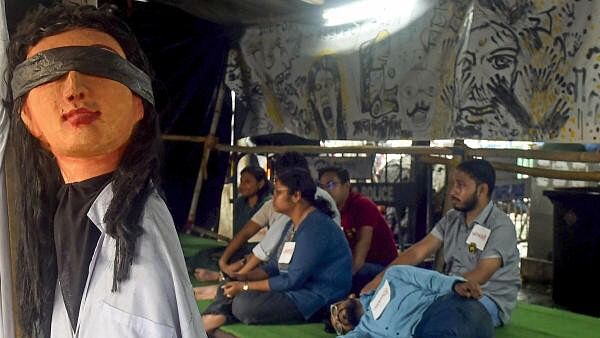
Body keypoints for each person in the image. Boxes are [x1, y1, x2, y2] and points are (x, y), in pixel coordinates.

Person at [6, 4, 205, 337]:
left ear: (137, 103)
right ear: (28, 118)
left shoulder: (142, 234)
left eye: (99, 65)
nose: (74, 88)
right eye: (51, 73)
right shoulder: (57, 213)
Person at [362, 159, 520, 327]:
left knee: (432, 315)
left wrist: (439, 286)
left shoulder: (500, 226)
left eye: (461, 185)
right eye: (453, 184)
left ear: (482, 190)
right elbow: (418, 252)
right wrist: (382, 278)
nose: (452, 191)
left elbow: (482, 274)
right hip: (452, 290)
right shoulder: (452, 218)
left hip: (486, 298)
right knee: (401, 302)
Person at [201, 168, 352, 333]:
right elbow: (275, 265)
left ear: (296, 196)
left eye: (278, 192)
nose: (273, 198)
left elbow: (292, 280)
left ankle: (216, 316)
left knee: (243, 304)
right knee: (229, 286)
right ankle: (217, 315)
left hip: (316, 297)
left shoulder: (315, 228)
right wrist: (243, 276)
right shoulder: (292, 224)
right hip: (295, 289)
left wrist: (245, 286)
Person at [217, 152, 340, 278]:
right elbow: (247, 233)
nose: (274, 192)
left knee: (243, 294)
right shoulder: (278, 204)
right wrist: (224, 263)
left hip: (316, 276)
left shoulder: (299, 205)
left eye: (278, 190)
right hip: (290, 269)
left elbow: (265, 252)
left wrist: (238, 281)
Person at [330, 265, 494, 338]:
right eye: (338, 327)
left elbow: (430, 279)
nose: (338, 319)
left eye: (335, 310)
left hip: (446, 309)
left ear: (350, 297)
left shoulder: (393, 275)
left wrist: (456, 284)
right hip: (425, 332)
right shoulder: (366, 330)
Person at [318, 166, 397, 295]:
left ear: (346, 186)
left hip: (382, 268)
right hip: (355, 264)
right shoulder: (329, 211)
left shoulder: (362, 205)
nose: (326, 191)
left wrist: (338, 277)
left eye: (331, 185)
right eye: (322, 187)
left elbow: (362, 248)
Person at [193, 165, 271, 283]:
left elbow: (264, 245)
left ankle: (220, 275)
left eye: (247, 182)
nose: (242, 186)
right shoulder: (239, 203)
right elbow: (240, 235)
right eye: (241, 181)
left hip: (257, 253)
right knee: (203, 255)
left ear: (260, 184)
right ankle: (223, 271)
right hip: (238, 248)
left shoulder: (268, 205)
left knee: (254, 263)